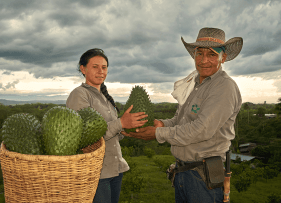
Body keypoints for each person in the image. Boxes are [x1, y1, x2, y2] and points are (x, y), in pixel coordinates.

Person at [121, 27, 243, 202]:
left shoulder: (224, 87)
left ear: (223, 58)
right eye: (199, 54)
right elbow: (179, 121)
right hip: (183, 173)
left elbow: (201, 130)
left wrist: (157, 133)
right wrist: (160, 124)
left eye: (212, 54)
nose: (204, 60)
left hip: (203, 178)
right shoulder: (193, 85)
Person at [66, 48, 149, 203]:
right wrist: (121, 123)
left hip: (115, 169)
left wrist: (125, 129)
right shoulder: (79, 94)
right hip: (96, 173)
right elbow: (83, 137)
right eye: (95, 67)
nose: (101, 71)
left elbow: (110, 134)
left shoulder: (105, 97)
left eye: (104, 67)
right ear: (83, 69)